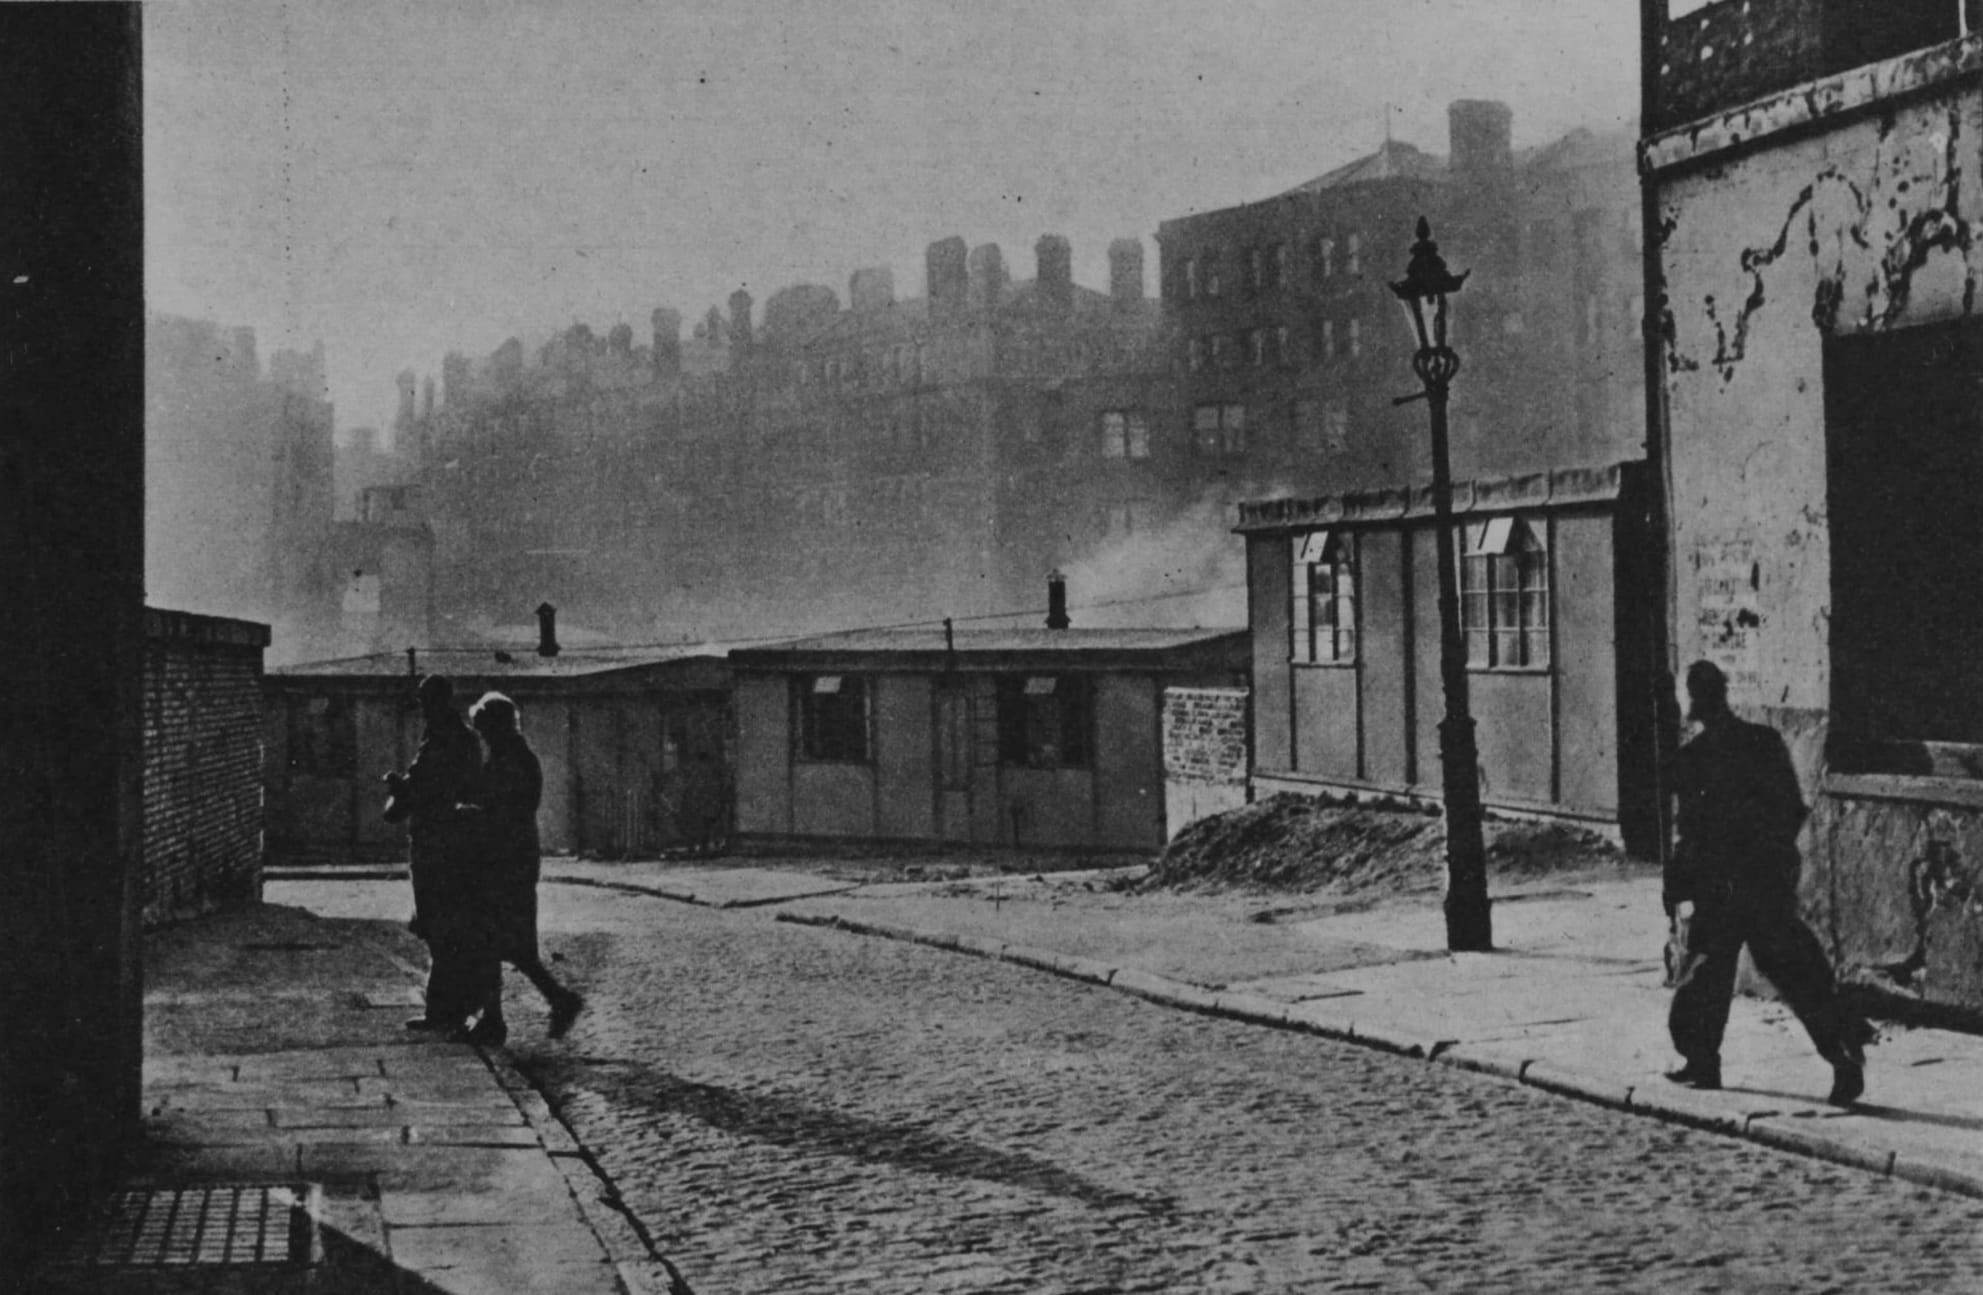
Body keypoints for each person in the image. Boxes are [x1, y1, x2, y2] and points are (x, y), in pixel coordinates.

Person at [1663, 660, 1870, 1106]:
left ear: (1693, 700)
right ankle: (1841, 1055)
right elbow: (1792, 810)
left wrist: (1676, 892)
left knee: (1704, 975)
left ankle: (1702, 1060)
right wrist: (1772, 861)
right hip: (1763, 881)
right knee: (1795, 973)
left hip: (1718, 887)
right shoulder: (1765, 742)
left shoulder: (1691, 761)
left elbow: (1688, 837)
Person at [457, 691, 584, 1045]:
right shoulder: (510, 755)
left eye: (485, 728)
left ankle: (540, 1005)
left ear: (497, 725)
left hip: (506, 860)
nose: (483, 735)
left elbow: (505, 809)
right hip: (508, 858)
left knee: (498, 941)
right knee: (502, 943)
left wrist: (471, 813)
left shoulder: (511, 760)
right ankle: (507, 1014)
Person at [383, 675, 484, 1033]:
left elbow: (418, 792)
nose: (423, 709)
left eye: (426, 701)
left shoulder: (442, 741)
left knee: (440, 927)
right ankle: (454, 1006)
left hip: (437, 844)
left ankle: (446, 1010)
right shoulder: (460, 738)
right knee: (447, 927)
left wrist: (399, 788)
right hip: (453, 843)